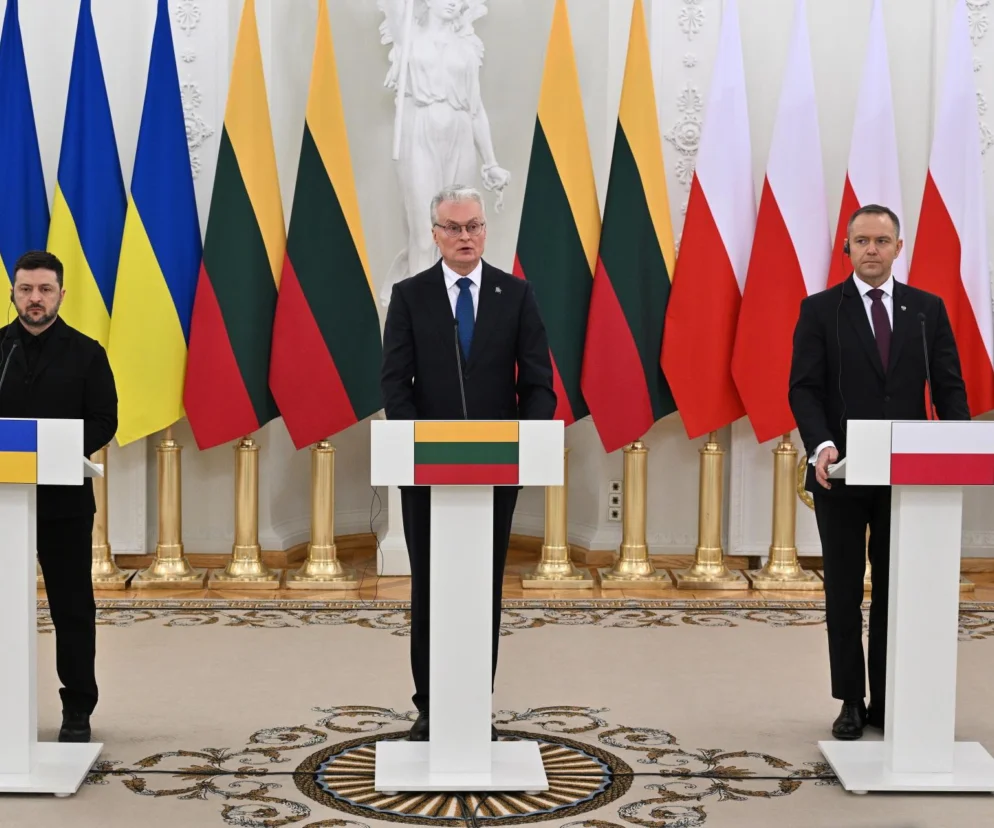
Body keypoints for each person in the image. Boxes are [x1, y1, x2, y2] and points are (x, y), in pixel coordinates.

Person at [380, 185, 556, 741]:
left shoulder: (516, 294)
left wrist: (527, 444)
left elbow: (538, 383)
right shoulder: (410, 296)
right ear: (435, 234)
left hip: (496, 471)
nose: (465, 237)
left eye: (474, 226)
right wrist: (417, 448)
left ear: (485, 230)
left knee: (484, 588)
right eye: (454, 228)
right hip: (426, 472)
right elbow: (395, 385)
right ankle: (430, 706)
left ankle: (477, 702)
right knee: (430, 587)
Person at [789, 205, 969, 741]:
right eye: (862, 240)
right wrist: (821, 446)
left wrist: (957, 445)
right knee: (844, 591)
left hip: (907, 477)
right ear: (847, 248)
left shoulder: (926, 311)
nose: (872, 249)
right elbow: (804, 388)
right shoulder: (820, 310)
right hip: (841, 474)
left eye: (882, 241)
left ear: (898, 247)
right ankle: (851, 699)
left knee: (895, 591)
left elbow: (949, 387)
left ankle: (888, 698)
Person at [0, 251, 118, 743]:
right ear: (13, 293)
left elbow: (105, 420)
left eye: (45, 290)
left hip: (63, 503)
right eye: (26, 289)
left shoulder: (87, 353)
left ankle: (77, 708)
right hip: (5, 500)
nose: (35, 298)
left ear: (61, 295)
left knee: (71, 608)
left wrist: (54, 445)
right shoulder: (0, 348)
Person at [377, 0, 511, 307]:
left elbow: (475, 109)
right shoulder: (407, 35)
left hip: (460, 134)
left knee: (458, 230)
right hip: (419, 132)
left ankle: (454, 311)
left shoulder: (467, 47)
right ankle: (421, 316)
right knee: (425, 234)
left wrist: (490, 162)